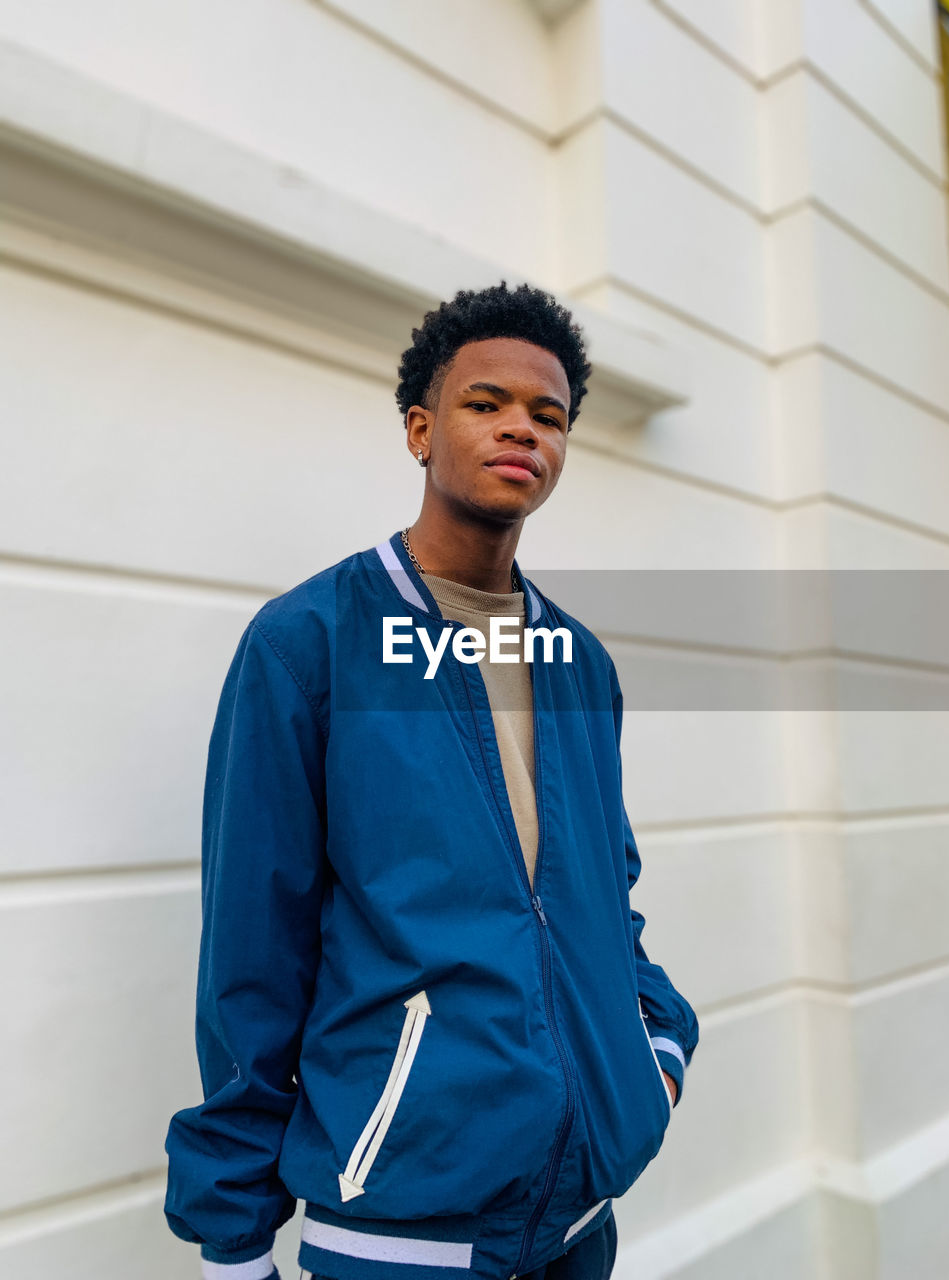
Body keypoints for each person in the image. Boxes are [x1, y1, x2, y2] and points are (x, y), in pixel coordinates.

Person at [163, 282, 699, 1280]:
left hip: (583, 1220)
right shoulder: (310, 644)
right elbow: (252, 948)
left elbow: (598, 903)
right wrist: (231, 1240)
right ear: (420, 427)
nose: (520, 429)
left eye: (549, 415)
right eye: (485, 402)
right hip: (401, 1231)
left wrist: (654, 1052)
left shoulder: (578, 662)